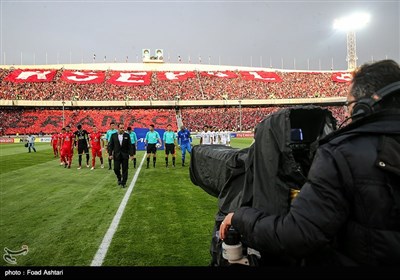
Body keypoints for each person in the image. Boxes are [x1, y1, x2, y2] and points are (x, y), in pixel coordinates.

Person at [219, 59, 400, 266]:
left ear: (363, 107)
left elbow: (297, 236)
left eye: (349, 105)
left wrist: (240, 216)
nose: (347, 113)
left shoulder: (341, 153)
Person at [107, 123, 134, 188]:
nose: (122, 129)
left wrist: (131, 155)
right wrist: (110, 154)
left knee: (125, 169)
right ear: (118, 128)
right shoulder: (113, 135)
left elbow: (129, 146)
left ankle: (123, 183)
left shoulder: (127, 135)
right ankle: (119, 178)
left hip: (125, 155)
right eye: (121, 128)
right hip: (116, 155)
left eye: (123, 128)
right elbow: (111, 146)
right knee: (116, 169)